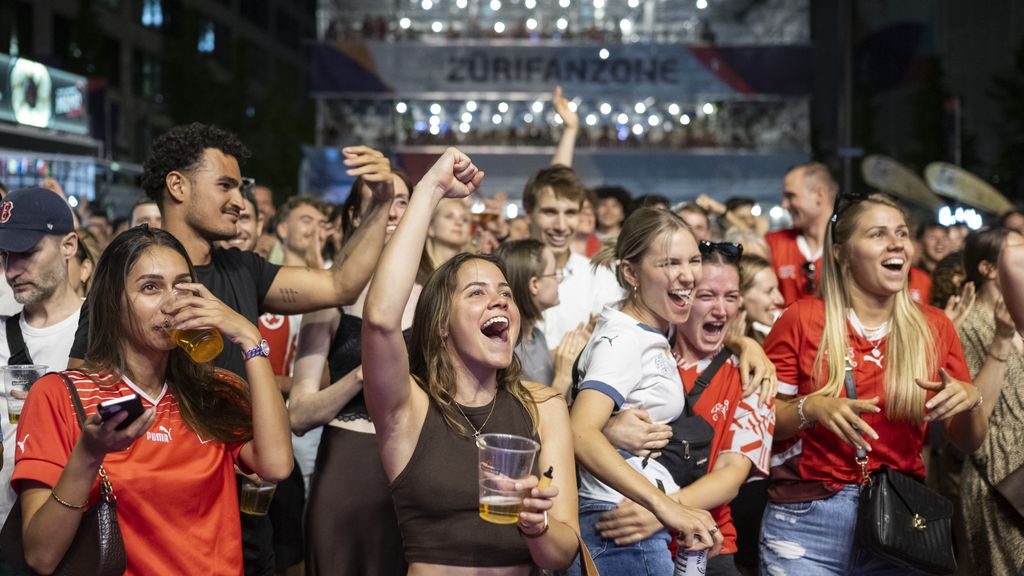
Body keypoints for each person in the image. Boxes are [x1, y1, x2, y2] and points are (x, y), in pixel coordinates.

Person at [67, 123, 394, 576]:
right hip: (158, 513)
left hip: (253, 500)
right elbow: (82, 402)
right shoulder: (119, 285)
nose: (240, 202)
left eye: (240, 187)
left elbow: (340, 283)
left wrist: (380, 204)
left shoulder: (242, 269)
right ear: (177, 186)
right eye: (225, 185)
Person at [12, 226, 293, 575]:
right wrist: (88, 454)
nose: (172, 303)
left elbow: (277, 465)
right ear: (113, 301)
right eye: (150, 287)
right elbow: (41, 555)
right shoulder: (59, 394)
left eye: (183, 286)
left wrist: (250, 339)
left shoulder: (213, 391)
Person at [362, 148, 580, 574]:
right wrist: (429, 189)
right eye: (477, 292)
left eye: (504, 292)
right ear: (441, 323)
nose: (499, 299)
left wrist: (536, 526)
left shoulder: (544, 407)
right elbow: (380, 319)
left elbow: (562, 554)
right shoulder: (407, 408)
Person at [761, 194, 985, 575]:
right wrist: (810, 408)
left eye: (901, 233)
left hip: (899, 517)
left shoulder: (934, 328)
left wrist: (972, 400)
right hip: (806, 517)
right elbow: (762, 424)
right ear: (842, 253)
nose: (897, 243)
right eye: (878, 234)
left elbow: (968, 441)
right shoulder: (801, 318)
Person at [569, 207, 723, 576]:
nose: (687, 275)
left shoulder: (651, 327)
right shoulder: (625, 339)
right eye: (669, 263)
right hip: (617, 527)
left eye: (694, 260)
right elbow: (579, 431)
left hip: (624, 519)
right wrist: (664, 505)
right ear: (630, 272)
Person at [289, 169, 414, 576]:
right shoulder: (328, 299)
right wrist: (361, 375)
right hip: (348, 465)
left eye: (401, 201)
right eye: (380, 201)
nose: (393, 212)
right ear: (356, 216)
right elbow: (299, 414)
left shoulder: (438, 296)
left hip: (415, 468)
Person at [0, 187, 84, 562]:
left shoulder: (108, 331)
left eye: (28, 252)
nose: (12, 270)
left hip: (83, 534)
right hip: (8, 534)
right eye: (5, 256)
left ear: (69, 245)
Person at [956, 227, 1024, 575]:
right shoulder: (966, 324)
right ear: (988, 268)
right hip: (999, 476)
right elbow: (972, 409)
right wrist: (1001, 339)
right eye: (1018, 250)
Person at [524, 166, 623, 351]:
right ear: (528, 212)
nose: (561, 226)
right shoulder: (504, 273)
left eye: (570, 213)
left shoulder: (600, 277)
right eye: (550, 212)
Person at [496, 239, 589, 396]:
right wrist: (563, 378)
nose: (558, 280)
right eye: (554, 274)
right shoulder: (507, 353)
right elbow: (536, 418)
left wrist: (573, 347)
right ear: (534, 284)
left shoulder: (536, 336)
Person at [765, 162, 837, 306]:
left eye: (791, 196)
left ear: (819, 196)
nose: (784, 204)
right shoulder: (773, 243)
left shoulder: (849, 246)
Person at [736, 255, 784, 346]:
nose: (780, 300)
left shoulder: (765, 343)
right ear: (739, 296)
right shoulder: (709, 345)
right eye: (769, 291)